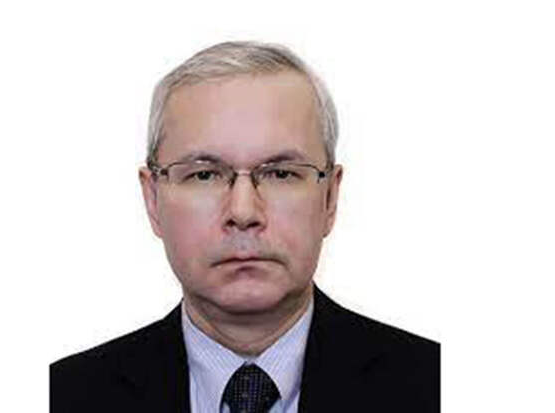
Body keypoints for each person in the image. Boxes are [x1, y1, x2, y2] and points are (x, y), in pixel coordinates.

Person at [50, 41, 440, 412]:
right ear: (152, 199)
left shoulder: (437, 387)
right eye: (204, 175)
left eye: (281, 173)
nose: (243, 211)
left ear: (330, 198)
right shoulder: (60, 396)